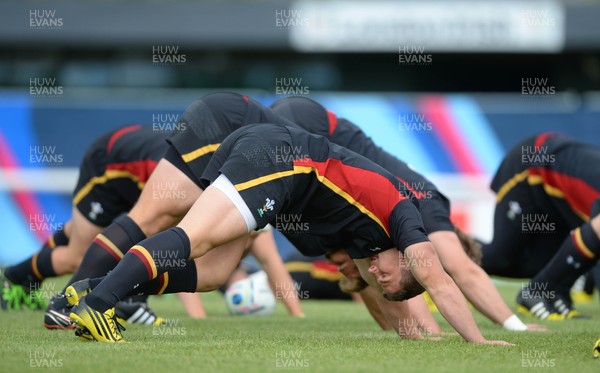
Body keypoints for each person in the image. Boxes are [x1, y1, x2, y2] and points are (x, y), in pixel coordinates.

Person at [67, 122, 511, 345]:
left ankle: (94, 288)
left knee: (213, 272)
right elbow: (441, 283)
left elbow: (386, 304)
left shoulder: (371, 246)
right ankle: (99, 307)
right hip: (280, 159)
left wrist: (420, 339)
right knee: (193, 238)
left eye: (380, 277)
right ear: (410, 260)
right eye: (390, 275)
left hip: (269, 160)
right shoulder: (407, 220)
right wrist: (480, 341)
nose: (376, 272)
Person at [269, 96, 541, 332]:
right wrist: (517, 326)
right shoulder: (429, 204)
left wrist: (424, 333)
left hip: (302, 128)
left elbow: (384, 299)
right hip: (309, 123)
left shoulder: (388, 229)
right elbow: (464, 271)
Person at [43, 92, 304, 327]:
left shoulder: (283, 175)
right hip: (223, 125)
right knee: (152, 224)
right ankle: (69, 303)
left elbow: (268, 259)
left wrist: (298, 317)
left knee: (211, 271)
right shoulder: (295, 166)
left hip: (230, 129)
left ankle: (105, 298)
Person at [1, 124, 169, 328]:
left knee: (81, 235)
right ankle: (16, 278)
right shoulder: (180, 173)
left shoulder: (192, 163)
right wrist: (198, 315)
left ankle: (131, 303)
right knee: (81, 259)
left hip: (129, 171)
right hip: (105, 168)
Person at [479, 133, 600, 320]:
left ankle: (551, 293)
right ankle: (442, 256)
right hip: (531, 165)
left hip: (555, 194)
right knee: (499, 258)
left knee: (541, 264)